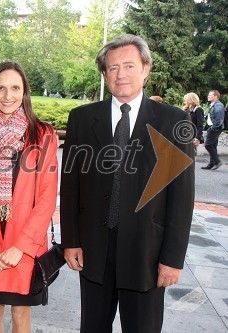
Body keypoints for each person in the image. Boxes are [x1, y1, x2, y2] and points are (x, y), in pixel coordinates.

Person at [60, 34, 195, 332]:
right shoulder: (82, 119)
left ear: (146, 69)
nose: (121, 74)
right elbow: (70, 187)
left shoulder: (174, 122)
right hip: (94, 251)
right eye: (112, 68)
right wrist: (70, 241)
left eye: (129, 66)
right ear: (104, 74)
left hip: (147, 254)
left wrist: (172, 258)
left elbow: (181, 198)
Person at [0, 61, 58, 333]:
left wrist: (23, 246)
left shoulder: (43, 135)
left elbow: (47, 197)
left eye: (15, 88)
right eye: (0, 88)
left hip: (24, 243)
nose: (8, 96)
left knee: (21, 316)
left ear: (25, 92)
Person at [201, 90, 225, 170]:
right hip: (213, 127)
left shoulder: (218, 106)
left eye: (210, 95)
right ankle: (211, 164)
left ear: (216, 96)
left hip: (215, 128)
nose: (208, 96)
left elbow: (219, 120)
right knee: (213, 146)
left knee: (208, 145)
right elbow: (211, 117)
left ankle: (217, 161)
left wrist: (212, 128)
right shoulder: (213, 105)